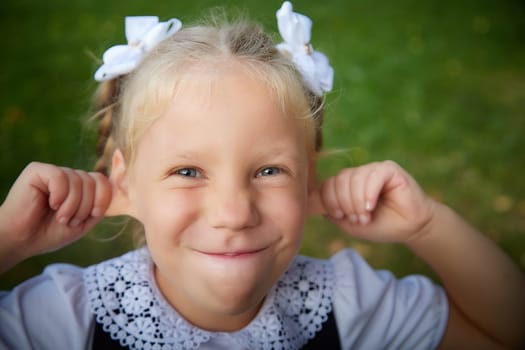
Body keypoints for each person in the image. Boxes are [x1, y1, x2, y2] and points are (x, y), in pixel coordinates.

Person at [1, 2, 524, 349]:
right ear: (125, 181)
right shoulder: (65, 320)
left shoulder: (348, 305)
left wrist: (427, 227)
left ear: (308, 179)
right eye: (188, 171)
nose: (233, 213)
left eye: (270, 170)